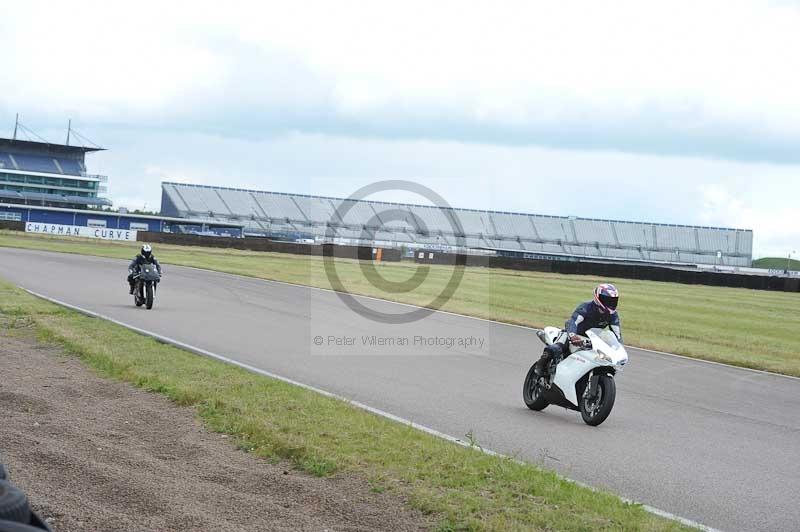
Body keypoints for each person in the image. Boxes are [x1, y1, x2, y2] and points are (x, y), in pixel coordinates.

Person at [534, 283, 622, 376]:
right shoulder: (586, 307)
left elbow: (617, 335)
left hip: (592, 341)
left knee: (605, 362)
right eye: (607, 300)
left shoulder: (613, 315)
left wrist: (618, 349)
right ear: (598, 298)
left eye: (613, 301)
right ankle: (539, 368)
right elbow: (573, 321)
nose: (611, 303)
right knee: (556, 349)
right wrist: (572, 336)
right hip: (573, 335)